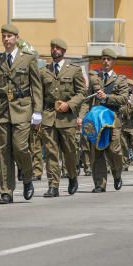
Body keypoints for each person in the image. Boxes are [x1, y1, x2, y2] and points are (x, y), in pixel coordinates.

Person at [0, 24, 42, 204]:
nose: (6, 39)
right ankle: (6, 191)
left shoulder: (28, 59)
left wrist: (37, 111)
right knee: (3, 152)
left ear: (17, 38)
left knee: (20, 147)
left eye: (9, 36)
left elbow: (36, 86)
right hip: (2, 110)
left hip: (23, 108)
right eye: (4, 36)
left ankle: (27, 176)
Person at [37, 39, 86, 197]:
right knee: (51, 153)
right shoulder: (43, 71)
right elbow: (40, 96)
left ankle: (72, 176)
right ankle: (53, 185)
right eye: (52, 47)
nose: (54, 50)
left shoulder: (74, 70)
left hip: (67, 118)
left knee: (69, 152)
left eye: (58, 48)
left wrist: (69, 104)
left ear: (64, 51)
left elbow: (81, 93)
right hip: (49, 116)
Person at [84, 48, 130, 193]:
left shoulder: (120, 79)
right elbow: (87, 100)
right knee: (96, 152)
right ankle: (100, 184)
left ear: (113, 62)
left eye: (109, 59)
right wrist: (82, 117)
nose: (105, 61)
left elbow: (123, 99)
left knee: (114, 151)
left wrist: (107, 97)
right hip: (97, 120)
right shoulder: (94, 78)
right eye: (103, 58)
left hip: (112, 119)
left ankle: (117, 174)